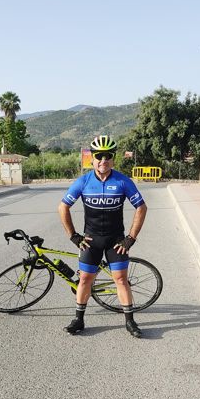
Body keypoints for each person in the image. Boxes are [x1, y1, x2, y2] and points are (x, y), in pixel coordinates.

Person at [58, 135, 148, 338]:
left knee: (121, 280)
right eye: (99, 156)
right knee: (85, 280)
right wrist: (73, 236)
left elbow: (141, 208)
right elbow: (63, 207)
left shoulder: (123, 181)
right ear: (92, 158)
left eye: (108, 156)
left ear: (113, 158)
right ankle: (79, 320)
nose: (103, 160)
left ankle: (130, 321)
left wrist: (131, 238)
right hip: (92, 241)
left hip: (115, 241)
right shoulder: (83, 181)